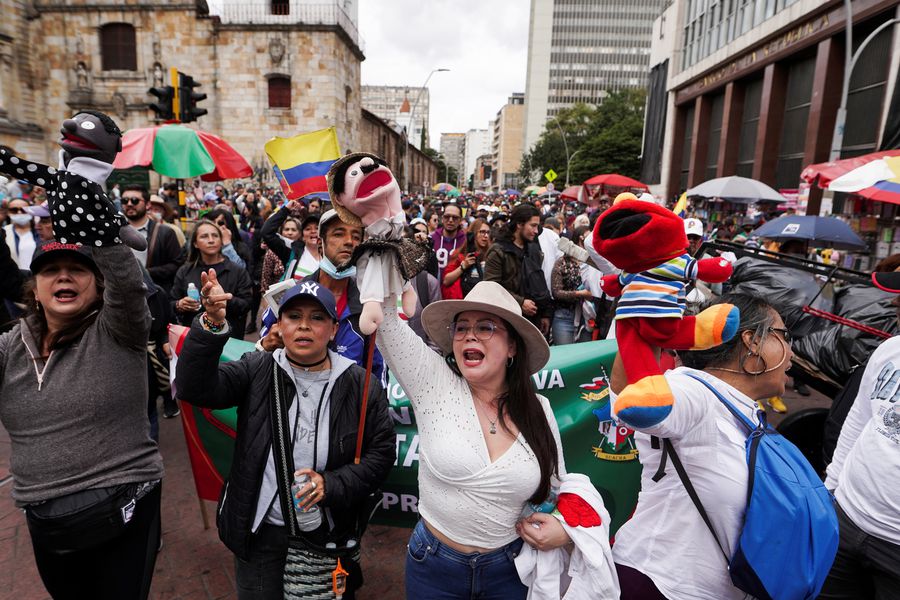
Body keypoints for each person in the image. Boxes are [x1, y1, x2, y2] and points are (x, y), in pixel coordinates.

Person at [175, 274, 395, 600]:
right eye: (294, 317)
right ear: (280, 325)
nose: (304, 326)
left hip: (324, 532)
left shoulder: (359, 384)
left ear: (334, 329)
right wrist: (210, 324)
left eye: (317, 318)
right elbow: (195, 388)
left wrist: (331, 484)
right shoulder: (257, 368)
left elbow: (381, 455)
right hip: (260, 531)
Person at [374, 280, 574, 599]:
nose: (470, 334)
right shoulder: (434, 385)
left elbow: (558, 482)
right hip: (433, 568)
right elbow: (384, 320)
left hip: (511, 571)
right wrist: (386, 247)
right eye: (462, 327)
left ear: (512, 347)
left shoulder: (540, 410)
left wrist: (562, 529)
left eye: (486, 327)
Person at [0, 241, 163, 599]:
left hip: (123, 504)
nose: (64, 276)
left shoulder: (120, 330)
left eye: (77, 269)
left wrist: (102, 232)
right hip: (48, 520)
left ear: (98, 283)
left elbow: (129, 283)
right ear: (36, 290)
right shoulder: (10, 346)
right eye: (50, 270)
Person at [610, 293, 795, 599]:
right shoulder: (695, 392)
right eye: (784, 336)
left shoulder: (744, 411)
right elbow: (635, 399)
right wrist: (641, 311)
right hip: (660, 587)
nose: (791, 351)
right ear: (752, 341)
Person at [819, 271, 900, 600]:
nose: (895, 304)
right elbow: (859, 420)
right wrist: (830, 491)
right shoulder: (890, 350)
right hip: (847, 519)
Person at [260, 210, 386, 384]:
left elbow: (377, 373)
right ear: (320, 243)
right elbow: (258, 357)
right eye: (339, 234)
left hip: (346, 408)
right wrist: (267, 345)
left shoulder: (369, 306)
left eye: (356, 236)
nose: (349, 241)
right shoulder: (290, 295)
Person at [172, 220, 252, 339]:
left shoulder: (237, 270)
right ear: (195, 243)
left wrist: (223, 300)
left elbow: (246, 304)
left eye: (215, 235)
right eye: (204, 236)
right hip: (195, 339)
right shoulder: (185, 271)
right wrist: (180, 304)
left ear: (221, 241)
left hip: (229, 340)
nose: (211, 240)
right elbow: (171, 302)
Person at [484, 203, 552, 335]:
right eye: (532, 225)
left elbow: (540, 282)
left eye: (537, 226)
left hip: (533, 320)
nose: (536, 231)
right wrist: (520, 302)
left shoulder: (533, 249)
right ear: (519, 224)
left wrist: (545, 313)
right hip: (506, 320)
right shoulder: (498, 251)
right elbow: (491, 287)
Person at [121, 184, 184, 295]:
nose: (129, 204)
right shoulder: (115, 233)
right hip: (124, 295)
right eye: (125, 201)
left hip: (155, 295)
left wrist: (146, 272)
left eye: (135, 200)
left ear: (147, 205)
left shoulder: (165, 232)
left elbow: (177, 264)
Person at [550, 225, 593, 345]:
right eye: (586, 239)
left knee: (585, 359)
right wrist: (580, 294)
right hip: (564, 316)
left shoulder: (594, 264)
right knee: (566, 356)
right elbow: (556, 292)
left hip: (588, 316)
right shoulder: (562, 262)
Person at [431, 202, 467, 295]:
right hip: (433, 294)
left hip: (455, 295)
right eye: (447, 216)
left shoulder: (465, 241)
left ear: (460, 220)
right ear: (442, 218)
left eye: (455, 218)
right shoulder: (431, 239)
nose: (450, 220)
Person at [260, 216, 302, 293]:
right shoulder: (272, 252)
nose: (290, 233)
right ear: (281, 232)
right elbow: (265, 281)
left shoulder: (304, 252)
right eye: (286, 229)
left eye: (293, 230)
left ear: (300, 234)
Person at [3, 198, 40, 271]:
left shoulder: (41, 231)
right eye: (14, 210)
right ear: (8, 212)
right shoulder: (3, 232)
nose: (19, 212)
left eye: (24, 210)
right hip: (14, 278)